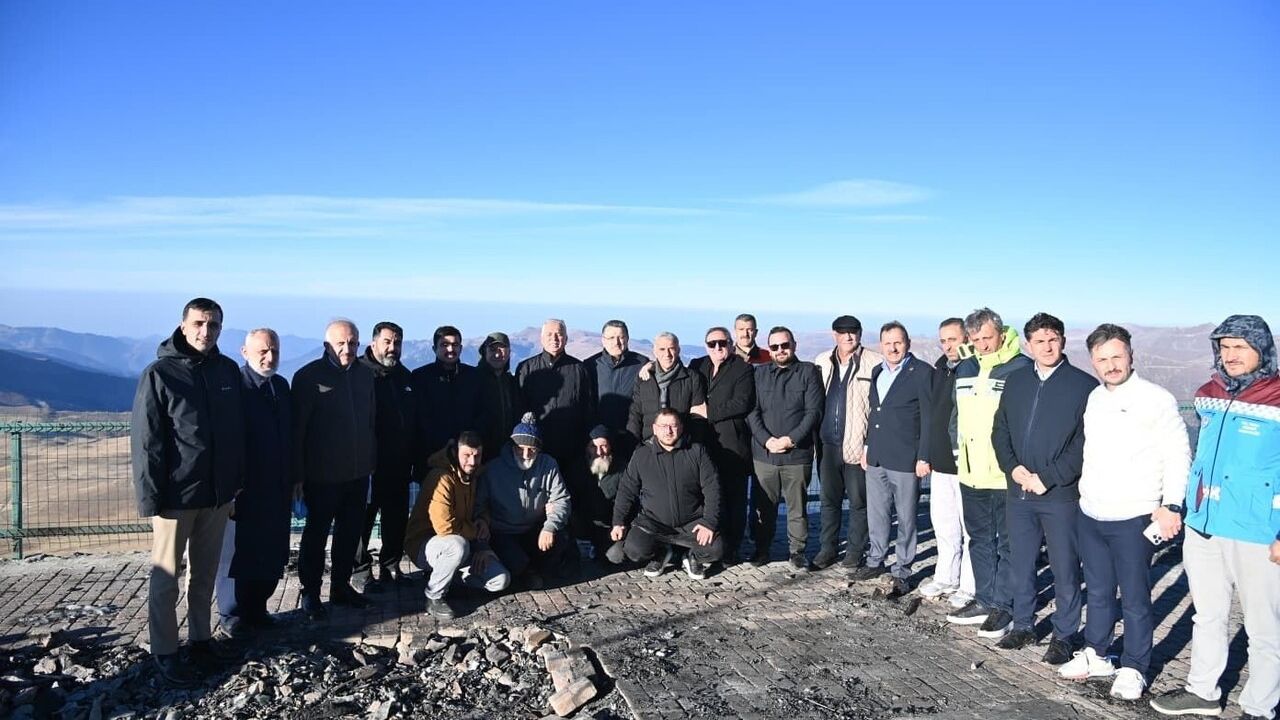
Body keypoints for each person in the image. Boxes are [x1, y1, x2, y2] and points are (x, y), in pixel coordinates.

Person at [1151, 315, 1280, 720]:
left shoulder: (1277, 397)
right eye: (1224, 347)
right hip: (1204, 524)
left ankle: (1260, 707)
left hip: (1259, 530)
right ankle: (1203, 691)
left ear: (1261, 348)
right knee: (1207, 615)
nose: (1231, 356)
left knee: (1264, 627)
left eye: (1240, 346)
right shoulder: (1208, 393)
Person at [1055, 324, 1189, 700]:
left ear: (1131, 355)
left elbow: (1178, 454)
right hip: (1093, 512)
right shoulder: (1095, 399)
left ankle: (1134, 665)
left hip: (1136, 515)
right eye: (1102, 359)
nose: (1111, 365)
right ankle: (1097, 654)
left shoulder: (1156, 398)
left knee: (1134, 596)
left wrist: (1172, 504)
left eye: (1117, 356)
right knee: (1097, 591)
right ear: (1093, 362)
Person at [132, 297, 245, 687]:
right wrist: (151, 499)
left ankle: (200, 639)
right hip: (175, 498)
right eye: (198, 323)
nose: (205, 332)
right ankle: (164, 650)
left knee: (205, 573)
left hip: (216, 496)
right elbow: (148, 442)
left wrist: (234, 484)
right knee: (166, 576)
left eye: (213, 325)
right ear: (183, 326)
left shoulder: (227, 371)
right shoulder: (160, 374)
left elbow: (236, 435)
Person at [991, 313, 1097, 658]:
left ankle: (1064, 635)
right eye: (1039, 341)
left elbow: (1085, 443)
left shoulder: (1084, 387)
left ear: (1063, 341)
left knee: (1065, 566)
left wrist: (1048, 478)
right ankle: (1023, 625)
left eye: (1053, 339)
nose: (1047, 346)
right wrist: (1013, 469)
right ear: (1028, 345)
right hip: (1019, 491)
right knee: (1021, 563)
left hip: (1060, 495)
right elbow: (1000, 430)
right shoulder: (1016, 381)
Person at [945, 308, 1032, 636]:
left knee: (1008, 543)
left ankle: (1004, 606)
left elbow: (1024, 421)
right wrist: (957, 452)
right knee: (979, 538)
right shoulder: (966, 367)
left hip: (1004, 473)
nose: (983, 344)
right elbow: (956, 414)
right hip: (970, 471)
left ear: (1001, 332)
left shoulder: (1020, 367)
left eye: (988, 337)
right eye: (977, 339)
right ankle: (983, 598)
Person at [292, 319, 377, 619]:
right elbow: (298, 430)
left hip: (357, 474)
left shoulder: (366, 376)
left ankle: (340, 587)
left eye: (353, 343)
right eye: (341, 343)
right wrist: (298, 475)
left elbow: (370, 423)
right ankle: (311, 592)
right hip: (321, 476)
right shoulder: (308, 377)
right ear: (327, 345)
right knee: (316, 536)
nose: (348, 348)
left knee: (349, 534)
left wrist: (370, 463)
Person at [215, 329, 292, 637]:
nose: (269, 357)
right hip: (245, 488)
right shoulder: (236, 388)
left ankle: (258, 608)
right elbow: (228, 440)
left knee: (270, 549)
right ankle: (231, 614)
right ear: (244, 352)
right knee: (237, 553)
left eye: (273, 350)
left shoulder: (281, 386)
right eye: (262, 351)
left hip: (277, 486)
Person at [854, 322, 933, 595]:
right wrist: (866, 446)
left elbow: (929, 419)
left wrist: (924, 456)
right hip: (876, 456)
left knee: (907, 517)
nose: (893, 347)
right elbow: (875, 414)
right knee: (877, 514)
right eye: (887, 343)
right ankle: (876, 560)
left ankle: (903, 569)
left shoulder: (922, 373)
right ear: (880, 345)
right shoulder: (877, 371)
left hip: (907, 458)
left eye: (898, 342)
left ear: (907, 343)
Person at [404, 432, 511, 620]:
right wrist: (476, 532)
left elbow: (480, 507)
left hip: (463, 541)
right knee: (457, 546)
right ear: (456, 452)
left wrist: (483, 522)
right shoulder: (441, 477)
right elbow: (444, 527)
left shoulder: (475, 476)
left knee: (500, 580)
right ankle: (433, 596)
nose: (472, 461)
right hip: (425, 544)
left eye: (477, 456)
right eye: (467, 455)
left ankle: (449, 579)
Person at [611, 409, 723, 580]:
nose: (668, 431)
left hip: (692, 523)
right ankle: (661, 553)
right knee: (634, 550)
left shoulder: (696, 451)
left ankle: (692, 556)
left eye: (673, 425)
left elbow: (712, 488)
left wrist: (709, 522)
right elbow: (627, 490)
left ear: (681, 427)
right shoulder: (642, 454)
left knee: (717, 549)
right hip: (654, 523)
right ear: (655, 429)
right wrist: (618, 521)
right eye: (663, 426)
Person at [516, 319, 598, 550]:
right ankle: (538, 548)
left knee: (571, 497)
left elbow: (587, 408)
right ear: (541, 338)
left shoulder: (578, 368)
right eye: (550, 334)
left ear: (566, 338)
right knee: (536, 501)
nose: (555, 338)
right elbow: (519, 410)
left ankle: (571, 545)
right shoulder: (526, 368)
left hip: (571, 449)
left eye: (559, 334)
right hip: (537, 452)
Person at [747, 326, 823, 570]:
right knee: (762, 506)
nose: (780, 350)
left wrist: (791, 439)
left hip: (797, 454)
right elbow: (751, 411)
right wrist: (766, 440)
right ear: (769, 349)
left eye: (784, 345)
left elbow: (814, 412)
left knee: (797, 507)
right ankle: (761, 549)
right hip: (764, 454)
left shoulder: (808, 372)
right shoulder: (758, 375)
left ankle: (797, 551)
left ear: (794, 345)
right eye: (775, 346)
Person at [812, 314, 882, 570]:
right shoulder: (822, 362)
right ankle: (827, 549)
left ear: (860, 334)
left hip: (856, 444)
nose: (848, 336)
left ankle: (854, 550)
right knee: (829, 500)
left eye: (853, 331)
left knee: (858, 501)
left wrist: (869, 445)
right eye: (842, 332)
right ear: (835, 335)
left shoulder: (874, 362)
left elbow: (878, 408)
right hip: (827, 444)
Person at [478, 413, 577, 587]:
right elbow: (479, 503)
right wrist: (483, 520)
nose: (525, 454)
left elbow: (561, 498)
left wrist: (550, 526)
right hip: (503, 531)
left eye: (531, 449)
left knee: (559, 538)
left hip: (534, 528)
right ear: (512, 446)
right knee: (516, 562)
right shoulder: (493, 469)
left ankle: (537, 569)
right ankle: (525, 571)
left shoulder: (548, 465)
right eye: (520, 448)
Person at [920, 318, 976, 608]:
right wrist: (926, 454)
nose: (948, 345)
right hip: (941, 462)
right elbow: (933, 414)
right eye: (943, 340)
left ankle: (969, 585)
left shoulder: (974, 368)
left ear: (966, 338)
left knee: (970, 529)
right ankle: (946, 576)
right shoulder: (941, 368)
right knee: (943, 525)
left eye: (953, 339)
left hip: (967, 463)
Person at [357, 321, 417, 589]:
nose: (393, 348)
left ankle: (391, 566)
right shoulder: (358, 373)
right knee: (362, 521)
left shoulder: (404, 376)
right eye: (387, 342)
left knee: (395, 519)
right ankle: (360, 572)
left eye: (397, 343)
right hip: (366, 465)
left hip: (399, 464)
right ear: (374, 344)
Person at [689, 326, 756, 564]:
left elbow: (742, 402)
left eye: (722, 343)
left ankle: (731, 548)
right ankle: (707, 543)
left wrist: (709, 412)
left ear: (730, 343)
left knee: (734, 500)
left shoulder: (743, 369)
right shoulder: (697, 365)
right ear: (706, 346)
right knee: (705, 497)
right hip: (702, 444)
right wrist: (647, 366)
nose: (718, 348)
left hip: (732, 446)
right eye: (712, 344)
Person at [412, 325, 484, 464]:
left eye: (455, 345)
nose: (450, 349)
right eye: (444, 345)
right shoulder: (421, 377)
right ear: (434, 348)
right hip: (431, 456)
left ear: (461, 348)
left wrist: (467, 441)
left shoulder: (474, 377)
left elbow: (482, 413)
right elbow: (419, 418)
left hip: (468, 457)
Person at [586, 319, 649, 462]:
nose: (617, 342)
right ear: (603, 340)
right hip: (600, 438)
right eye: (611, 338)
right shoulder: (591, 365)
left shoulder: (641, 363)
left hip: (631, 435)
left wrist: (652, 365)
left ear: (627, 338)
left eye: (621, 337)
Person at [627, 332, 707, 442]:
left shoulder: (691, 378)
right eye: (662, 349)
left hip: (682, 445)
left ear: (678, 350)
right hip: (648, 444)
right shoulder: (644, 378)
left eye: (671, 348)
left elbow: (698, 416)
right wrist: (634, 444)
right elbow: (635, 414)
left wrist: (695, 445)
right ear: (654, 351)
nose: (667, 354)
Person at [476, 332, 526, 464]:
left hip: (509, 453)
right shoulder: (473, 380)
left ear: (509, 353)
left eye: (502, 349)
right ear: (484, 352)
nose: (497, 354)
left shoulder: (513, 382)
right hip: (480, 455)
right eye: (492, 349)